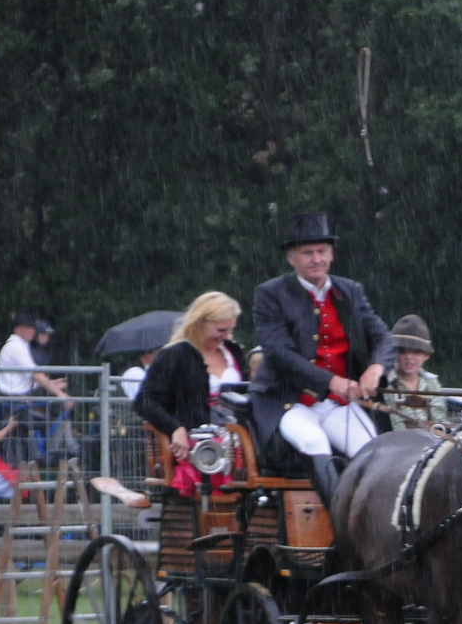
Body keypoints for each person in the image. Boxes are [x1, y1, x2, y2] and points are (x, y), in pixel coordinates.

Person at [251, 212, 394, 503]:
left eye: (322, 251)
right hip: (287, 400)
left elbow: (382, 336)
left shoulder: (350, 291)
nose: (316, 258)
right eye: (308, 253)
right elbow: (279, 354)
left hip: (336, 403)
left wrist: (375, 369)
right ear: (292, 258)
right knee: (314, 441)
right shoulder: (270, 294)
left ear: (332, 254)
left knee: (373, 451)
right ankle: (339, 524)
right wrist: (331, 381)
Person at [135, 292, 247, 497]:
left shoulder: (233, 351)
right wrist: (175, 428)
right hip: (195, 435)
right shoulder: (175, 354)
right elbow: (145, 401)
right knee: (212, 453)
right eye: (221, 330)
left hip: (237, 436)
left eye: (230, 329)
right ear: (201, 323)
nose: (226, 336)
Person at [0, 311, 72, 464]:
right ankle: (47, 456)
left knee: (47, 421)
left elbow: (28, 378)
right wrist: (60, 394)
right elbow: (35, 374)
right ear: (18, 328)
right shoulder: (16, 347)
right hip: (13, 404)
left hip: (17, 402)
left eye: (33, 328)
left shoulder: (20, 346)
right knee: (49, 421)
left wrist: (53, 384)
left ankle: (43, 455)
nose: (33, 331)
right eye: (29, 328)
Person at [385, 315, 450, 430]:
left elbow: (440, 423)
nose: (409, 357)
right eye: (403, 351)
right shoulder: (385, 383)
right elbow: (393, 428)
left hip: (431, 443)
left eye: (416, 352)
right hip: (395, 444)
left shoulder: (432, 383)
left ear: (426, 355)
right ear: (393, 353)